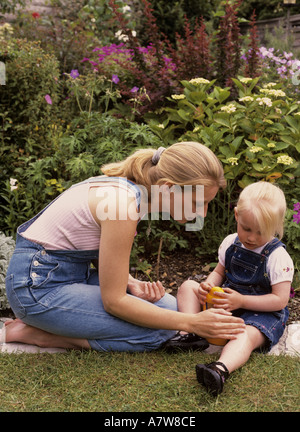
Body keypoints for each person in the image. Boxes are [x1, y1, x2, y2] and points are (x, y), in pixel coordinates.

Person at [3, 141, 245, 352]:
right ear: (169, 186)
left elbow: (92, 246)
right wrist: (192, 324)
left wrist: (130, 283)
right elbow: (114, 302)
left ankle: (50, 320)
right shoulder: (122, 206)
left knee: (169, 308)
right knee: (158, 332)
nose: (201, 213)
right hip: (37, 288)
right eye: (197, 202)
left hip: (62, 274)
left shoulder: (129, 189)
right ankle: (36, 333)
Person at [172, 181, 294, 396]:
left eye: (260, 232)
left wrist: (242, 301)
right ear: (236, 215)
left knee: (244, 334)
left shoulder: (278, 257)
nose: (251, 238)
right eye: (246, 229)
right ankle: (189, 333)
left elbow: (280, 300)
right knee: (188, 286)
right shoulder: (231, 242)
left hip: (262, 313)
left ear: (276, 226)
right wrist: (209, 284)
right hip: (230, 303)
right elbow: (219, 272)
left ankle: (220, 369)